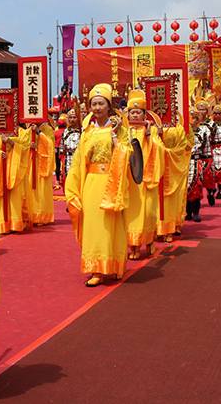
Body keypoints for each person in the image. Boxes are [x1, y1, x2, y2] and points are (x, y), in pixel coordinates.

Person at [64, 83, 130, 287]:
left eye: (101, 103)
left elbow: (127, 154)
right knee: (94, 226)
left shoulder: (119, 129)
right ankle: (96, 270)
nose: (97, 107)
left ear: (109, 106)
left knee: (112, 225)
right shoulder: (88, 132)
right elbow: (77, 161)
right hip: (91, 183)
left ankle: (116, 265)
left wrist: (114, 135)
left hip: (113, 182)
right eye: (94, 104)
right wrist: (73, 187)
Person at [122, 90, 164, 259]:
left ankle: (149, 240)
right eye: (132, 112)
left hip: (146, 177)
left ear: (144, 114)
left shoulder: (150, 130)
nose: (135, 114)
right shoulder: (125, 130)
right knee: (131, 212)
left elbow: (159, 150)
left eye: (138, 112)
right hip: (130, 178)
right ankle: (134, 246)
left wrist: (149, 135)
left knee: (147, 211)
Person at [158, 115, 194, 239]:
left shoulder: (181, 126)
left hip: (175, 167)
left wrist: (166, 152)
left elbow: (187, 145)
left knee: (174, 199)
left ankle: (172, 226)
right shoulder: (152, 125)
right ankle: (156, 227)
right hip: (156, 167)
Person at [185, 109, 213, 222]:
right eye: (190, 118)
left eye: (195, 118)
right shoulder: (182, 131)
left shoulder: (203, 131)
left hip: (196, 161)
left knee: (196, 187)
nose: (192, 121)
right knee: (184, 189)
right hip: (184, 162)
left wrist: (207, 163)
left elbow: (206, 148)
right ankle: (188, 212)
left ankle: (196, 212)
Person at [60, 108, 82, 183]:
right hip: (68, 157)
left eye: (74, 117)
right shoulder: (66, 131)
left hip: (78, 157)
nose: (72, 120)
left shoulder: (82, 131)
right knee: (68, 177)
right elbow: (62, 144)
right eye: (71, 117)